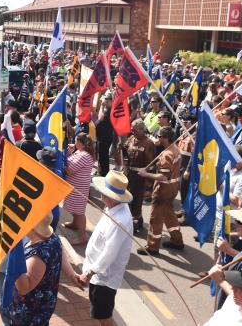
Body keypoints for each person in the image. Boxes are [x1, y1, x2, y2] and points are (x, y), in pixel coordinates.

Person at [76, 170, 133, 326]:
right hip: (98, 273)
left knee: (103, 316)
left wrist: (89, 273)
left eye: (103, 193)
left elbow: (109, 253)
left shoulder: (120, 220)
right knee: (100, 312)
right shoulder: (114, 208)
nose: (100, 196)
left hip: (104, 277)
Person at [0, 212, 68, 326]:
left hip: (29, 316)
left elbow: (24, 288)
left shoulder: (38, 255)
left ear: (32, 227)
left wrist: (14, 251)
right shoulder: (53, 238)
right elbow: (61, 253)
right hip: (40, 309)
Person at [137, 126, 183, 255]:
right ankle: (177, 240)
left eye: (159, 136)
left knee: (155, 218)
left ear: (166, 138)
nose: (157, 139)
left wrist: (145, 174)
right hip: (173, 188)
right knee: (169, 214)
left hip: (163, 189)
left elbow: (163, 176)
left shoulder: (167, 154)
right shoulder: (175, 149)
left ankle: (152, 246)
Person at [123, 119, 156, 234]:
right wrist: (122, 149)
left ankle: (135, 222)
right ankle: (137, 220)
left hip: (141, 177)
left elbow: (151, 166)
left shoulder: (149, 144)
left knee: (136, 200)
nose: (133, 133)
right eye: (132, 130)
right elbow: (126, 151)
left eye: (135, 130)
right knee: (128, 197)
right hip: (129, 175)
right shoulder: (131, 139)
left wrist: (149, 185)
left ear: (142, 130)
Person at [62, 133, 95, 245]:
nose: (74, 143)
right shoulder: (80, 152)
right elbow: (70, 161)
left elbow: (69, 170)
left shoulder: (84, 155)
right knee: (75, 209)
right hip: (75, 185)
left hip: (79, 187)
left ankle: (82, 237)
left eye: (76, 141)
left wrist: (61, 165)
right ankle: (75, 224)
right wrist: (70, 152)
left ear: (81, 143)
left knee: (79, 212)